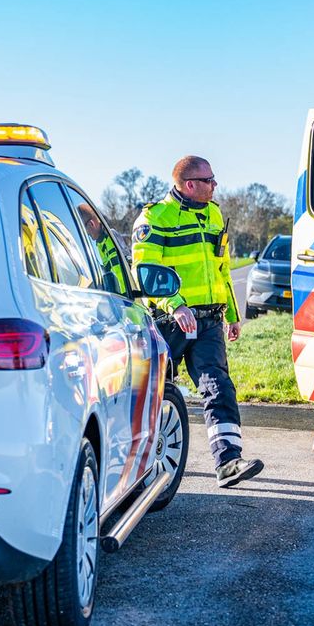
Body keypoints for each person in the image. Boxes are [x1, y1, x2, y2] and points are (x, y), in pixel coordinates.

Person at [131, 156, 263, 488]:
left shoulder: (214, 214)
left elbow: (222, 269)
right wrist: (175, 306)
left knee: (218, 387)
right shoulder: (155, 218)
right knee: (155, 394)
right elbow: (144, 271)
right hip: (169, 321)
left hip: (208, 322)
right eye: (209, 180)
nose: (215, 185)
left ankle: (229, 462)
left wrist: (231, 314)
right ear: (190, 184)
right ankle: (140, 468)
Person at [77, 202, 128, 294]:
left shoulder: (111, 237)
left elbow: (128, 265)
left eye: (85, 230)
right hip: (117, 297)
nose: (87, 234)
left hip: (127, 298)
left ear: (92, 224)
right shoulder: (99, 244)